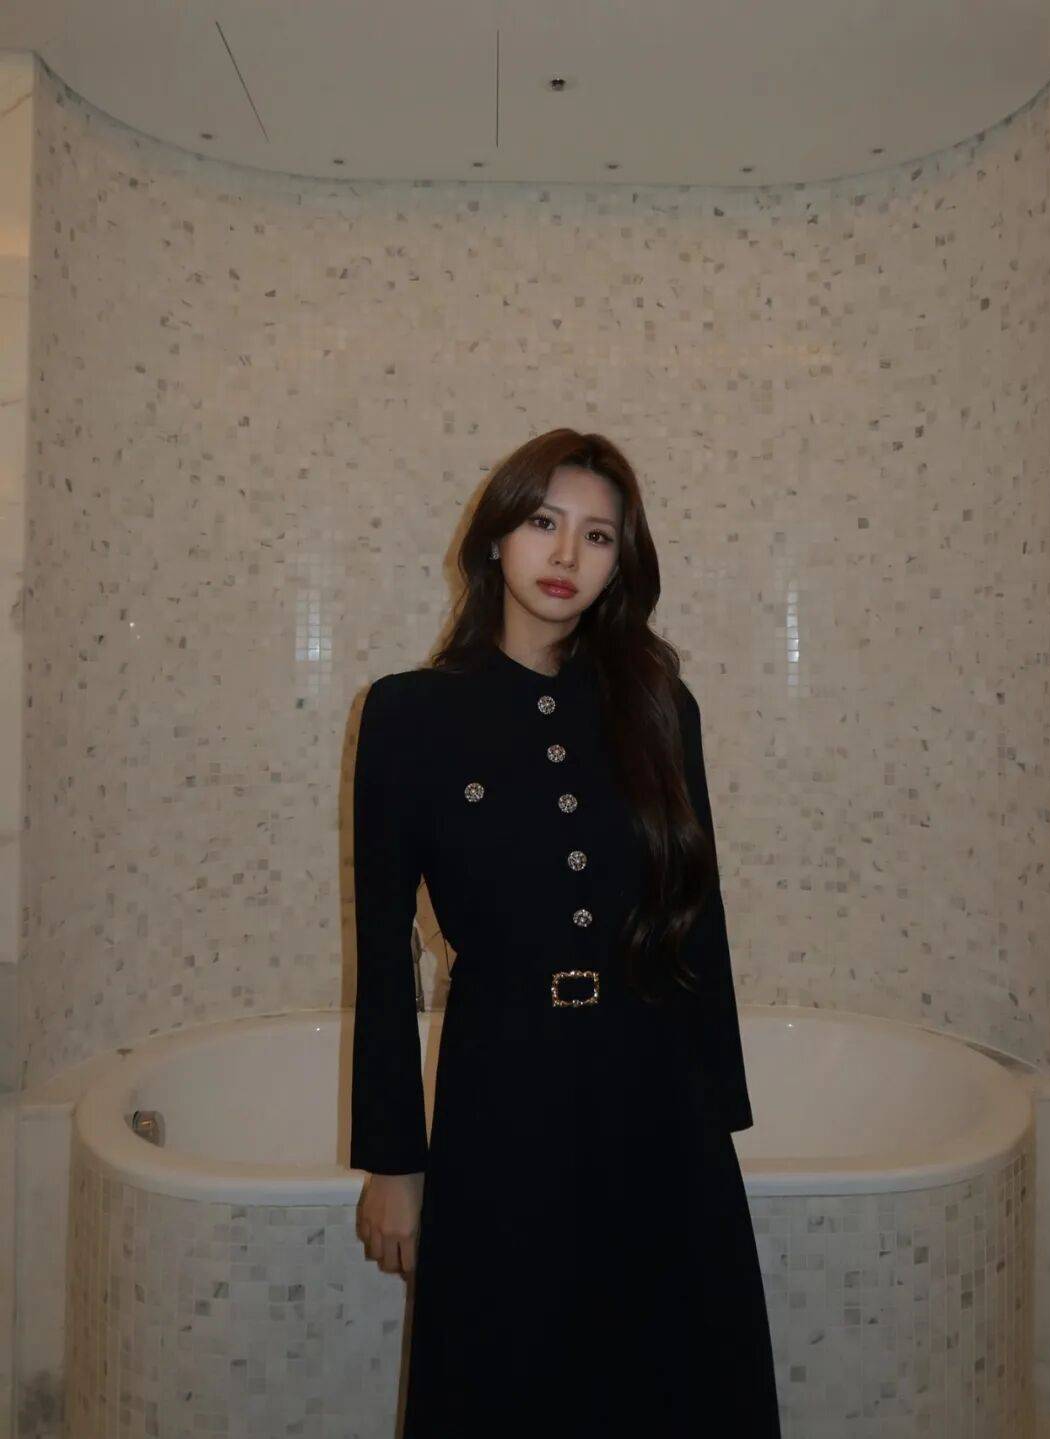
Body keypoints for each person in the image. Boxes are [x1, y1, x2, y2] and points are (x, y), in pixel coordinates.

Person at [350, 428, 782, 1437]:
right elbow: (379, 949)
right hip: (501, 1089)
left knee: (672, 1382)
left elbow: (699, 921)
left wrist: (717, 1123)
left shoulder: (660, 707)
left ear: (620, 561)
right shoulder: (409, 715)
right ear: (495, 536)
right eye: (543, 521)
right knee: (506, 1371)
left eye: (596, 534)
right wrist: (393, 1159)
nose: (564, 553)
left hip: (657, 1091)